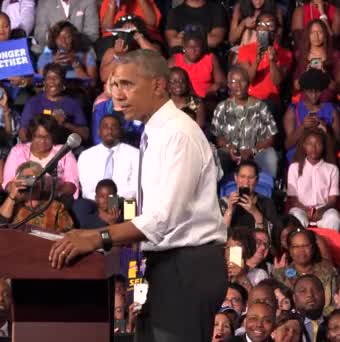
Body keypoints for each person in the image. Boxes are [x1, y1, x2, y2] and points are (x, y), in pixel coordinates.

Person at [48, 50, 228, 341]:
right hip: (168, 265)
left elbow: (162, 220)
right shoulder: (154, 133)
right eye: (114, 85)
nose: (117, 94)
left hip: (188, 266)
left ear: (158, 85)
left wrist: (97, 237)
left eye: (127, 84)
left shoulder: (178, 135)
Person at [212, 66, 278, 178]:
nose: (238, 85)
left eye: (242, 81)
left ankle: (267, 192)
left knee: (271, 157)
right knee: (218, 158)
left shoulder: (260, 106)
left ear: (248, 83)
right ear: (228, 85)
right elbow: (217, 136)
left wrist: (252, 150)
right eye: (233, 82)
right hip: (230, 152)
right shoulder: (222, 107)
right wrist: (229, 148)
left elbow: (271, 137)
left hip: (256, 151)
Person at [4, 115, 79, 199]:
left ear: (53, 136)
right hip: (23, 199)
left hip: (55, 199)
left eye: (47, 137)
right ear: (32, 136)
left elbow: (71, 184)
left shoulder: (64, 152)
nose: (43, 141)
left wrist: (55, 195)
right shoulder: (17, 151)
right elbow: (8, 183)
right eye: (38, 137)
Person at [18, 63, 89, 143]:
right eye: (48, 78)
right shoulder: (33, 103)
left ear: (63, 81)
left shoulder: (73, 104)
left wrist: (65, 124)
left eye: (56, 78)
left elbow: (85, 135)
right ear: (44, 82)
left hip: (64, 148)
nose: (52, 81)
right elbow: (22, 134)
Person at [287, 129, 340, 230]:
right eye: (310, 144)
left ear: (323, 146)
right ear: (304, 146)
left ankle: (330, 245)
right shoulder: (294, 167)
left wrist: (321, 210)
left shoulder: (332, 169)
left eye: (318, 144)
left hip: (324, 209)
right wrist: (307, 210)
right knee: (296, 217)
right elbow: (293, 199)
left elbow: (333, 199)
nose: (314, 148)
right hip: (301, 208)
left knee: (334, 219)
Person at [284, 68, 340, 163]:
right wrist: (303, 127)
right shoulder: (294, 110)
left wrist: (326, 131)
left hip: (323, 156)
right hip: (299, 157)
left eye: (318, 91)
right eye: (310, 91)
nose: (314, 95)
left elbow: (337, 146)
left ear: (323, 90)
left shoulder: (331, 110)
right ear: (304, 90)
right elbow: (288, 145)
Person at [0, 161, 74, 232]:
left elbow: (69, 234)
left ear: (42, 182)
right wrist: (12, 194)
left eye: (33, 178)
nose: (30, 182)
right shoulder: (14, 204)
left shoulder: (55, 207)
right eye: (26, 178)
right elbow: (0, 223)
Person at [78, 114, 139, 201]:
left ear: (120, 131)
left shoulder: (134, 154)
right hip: (95, 202)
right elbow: (87, 190)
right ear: (98, 131)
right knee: (80, 208)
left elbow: (134, 189)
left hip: (123, 202)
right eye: (105, 127)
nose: (110, 130)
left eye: (114, 127)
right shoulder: (86, 155)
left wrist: (112, 201)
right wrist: (103, 201)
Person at [237, 12, 292, 105]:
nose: (266, 28)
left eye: (270, 25)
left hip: (271, 100)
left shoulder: (286, 54)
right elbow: (247, 80)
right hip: (249, 98)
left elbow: (277, 81)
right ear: (256, 28)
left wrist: (272, 61)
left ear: (275, 30)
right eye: (262, 24)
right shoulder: (245, 50)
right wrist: (258, 58)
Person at [274, 229, 339, 306]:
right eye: (296, 246)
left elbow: (335, 303)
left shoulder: (328, 271)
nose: (301, 250)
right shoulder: (281, 275)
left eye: (305, 245)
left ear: (312, 248)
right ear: (290, 250)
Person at [167, 26, 225, 100]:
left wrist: (212, 89)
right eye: (189, 47)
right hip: (183, 100)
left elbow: (222, 82)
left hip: (207, 99)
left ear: (202, 47)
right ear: (183, 47)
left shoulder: (210, 58)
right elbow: (166, 84)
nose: (193, 51)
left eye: (197, 47)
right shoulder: (174, 61)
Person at [291, 20, 340, 104]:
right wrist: (306, 73)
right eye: (312, 33)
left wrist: (325, 74)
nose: (316, 36)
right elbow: (296, 87)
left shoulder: (335, 55)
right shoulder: (299, 55)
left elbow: (338, 89)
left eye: (320, 32)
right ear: (308, 35)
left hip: (327, 102)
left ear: (325, 34)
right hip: (305, 102)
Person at [222, 160, 282, 230]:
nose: (246, 181)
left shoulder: (267, 203)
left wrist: (255, 212)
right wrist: (229, 211)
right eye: (242, 176)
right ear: (236, 178)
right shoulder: (224, 202)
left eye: (251, 177)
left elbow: (272, 234)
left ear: (256, 180)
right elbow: (221, 236)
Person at [99, 15, 161, 83]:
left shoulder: (151, 46)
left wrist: (138, 37)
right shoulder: (112, 51)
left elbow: (157, 63)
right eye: (123, 32)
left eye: (129, 32)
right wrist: (118, 57)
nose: (128, 36)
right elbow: (104, 77)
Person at [33, 0, 99, 53]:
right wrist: (57, 43)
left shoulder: (88, 1)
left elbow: (92, 33)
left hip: (80, 49)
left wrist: (71, 43)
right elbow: (40, 33)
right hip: (52, 50)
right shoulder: (44, 2)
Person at [227, 226, 269, 291]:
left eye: (237, 248)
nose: (232, 253)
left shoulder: (259, 274)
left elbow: (256, 300)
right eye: (228, 248)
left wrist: (241, 277)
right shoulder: (216, 270)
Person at [292, 274, 326, 342]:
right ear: (294, 298)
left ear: (324, 294)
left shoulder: (333, 325)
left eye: (315, 289)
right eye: (303, 291)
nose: (310, 294)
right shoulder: (289, 328)